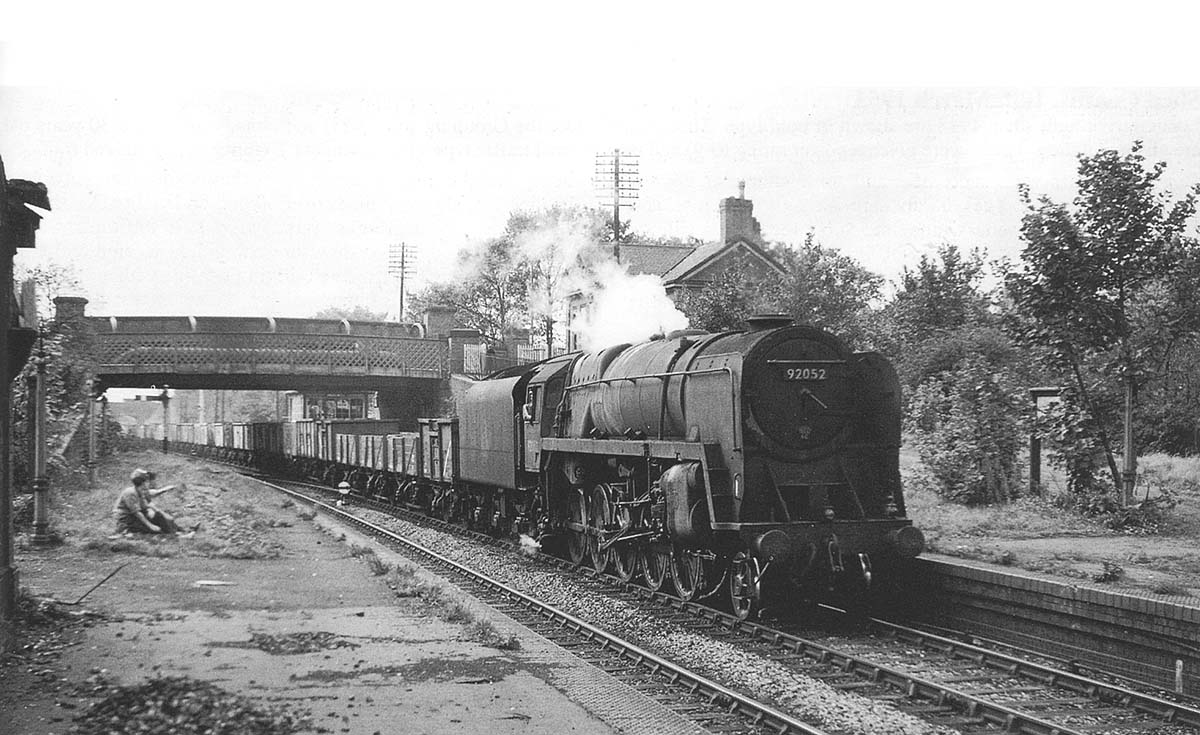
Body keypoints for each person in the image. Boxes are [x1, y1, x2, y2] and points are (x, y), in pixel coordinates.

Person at [113, 468, 184, 535]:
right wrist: (151, 526)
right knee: (156, 528)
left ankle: (179, 530)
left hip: (136, 516)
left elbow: (149, 503)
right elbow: (137, 513)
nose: (150, 482)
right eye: (147, 480)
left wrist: (163, 514)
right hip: (126, 519)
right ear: (143, 482)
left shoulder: (141, 490)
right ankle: (175, 534)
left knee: (159, 517)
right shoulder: (130, 493)